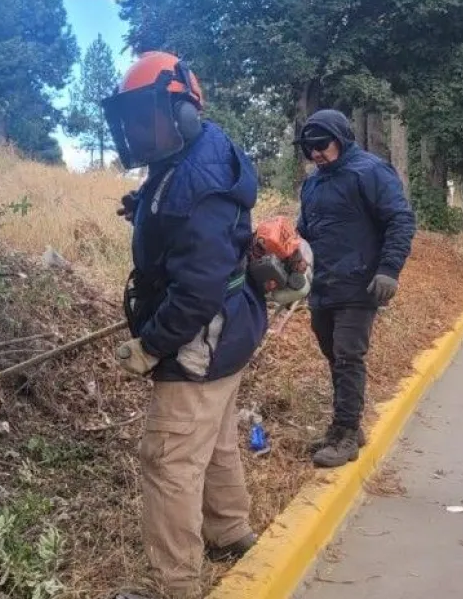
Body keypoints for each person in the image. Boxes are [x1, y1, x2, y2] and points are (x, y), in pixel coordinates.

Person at [103, 51, 266, 599]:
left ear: (183, 112)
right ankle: (230, 530)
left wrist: (150, 346)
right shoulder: (196, 151)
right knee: (215, 437)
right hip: (232, 332)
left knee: (168, 458)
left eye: (143, 115)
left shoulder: (196, 180)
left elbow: (195, 290)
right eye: (127, 119)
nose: (134, 129)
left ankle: (173, 585)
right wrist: (145, 204)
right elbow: (181, 204)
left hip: (199, 337)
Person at [295, 109, 416, 469]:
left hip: (359, 283)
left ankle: (346, 432)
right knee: (333, 354)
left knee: (349, 355)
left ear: (340, 137)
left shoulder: (370, 171)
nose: (315, 154)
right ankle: (346, 426)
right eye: (308, 148)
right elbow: (306, 231)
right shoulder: (313, 184)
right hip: (323, 284)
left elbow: (400, 219)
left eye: (321, 145)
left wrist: (389, 269)